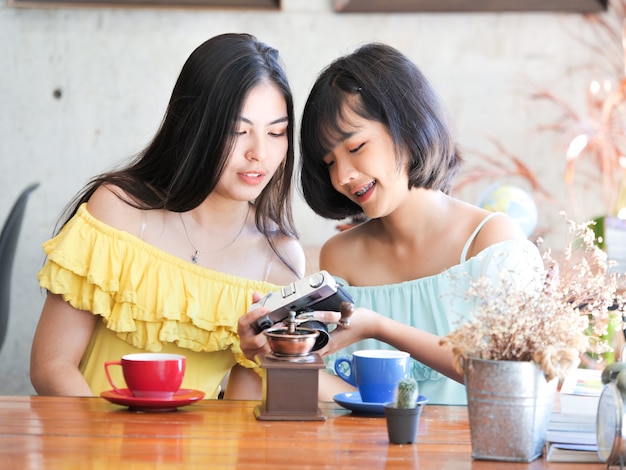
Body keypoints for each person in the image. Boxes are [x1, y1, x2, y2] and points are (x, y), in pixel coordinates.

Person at [239, 42, 544, 405]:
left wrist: (379, 327)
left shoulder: (490, 241)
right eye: (329, 163)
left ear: (407, 125)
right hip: (373, 456)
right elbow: (352, 398)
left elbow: (511, 378)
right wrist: (275, 358)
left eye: (355, 148)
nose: (343, 177)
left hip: (473, 456)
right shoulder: (341, 255)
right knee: (244, 377)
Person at [30, 33, 305, 400]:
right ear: (195, 126)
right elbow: (51, 367)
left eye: (277, 132)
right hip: (90, 447)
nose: (260, 153)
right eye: (238, 131)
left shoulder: (279, 260)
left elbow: (242, 410)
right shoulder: (118, 211)